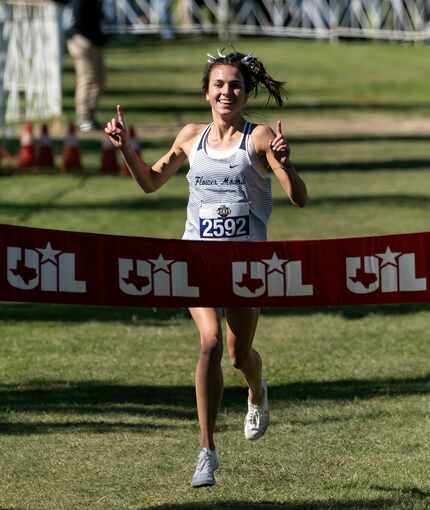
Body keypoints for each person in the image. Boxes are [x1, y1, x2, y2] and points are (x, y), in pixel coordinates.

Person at [104, 50, 307, 488]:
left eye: (234, 85)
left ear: (246, 92)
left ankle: (257, 389)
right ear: (206, 93)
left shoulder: (258, 138)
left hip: (245, 266)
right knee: (210, 342)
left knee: (238, 355)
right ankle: (206, 451)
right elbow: (150, 182)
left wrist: (286, 165)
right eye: (218, 85)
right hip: (196, 258)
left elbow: (299, 198)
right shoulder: (190, 136)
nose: (226, 91)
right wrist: (126, 150)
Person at [56, 0, 109, 132]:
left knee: (99, 78)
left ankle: (90, 116)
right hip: (82, 39)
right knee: (87, 79)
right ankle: (84, 118)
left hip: (88, 38)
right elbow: (80, 20)